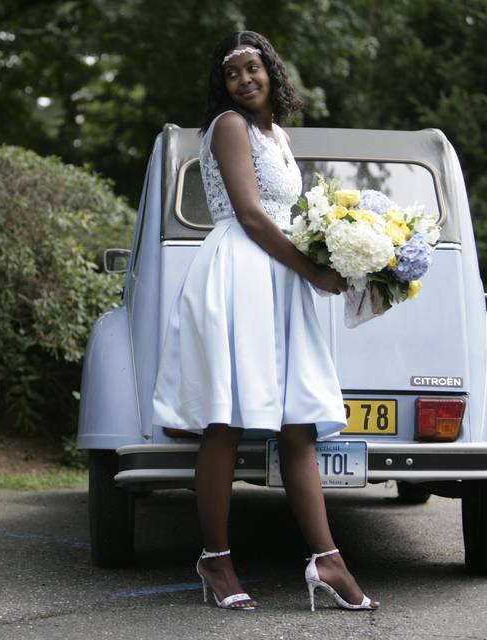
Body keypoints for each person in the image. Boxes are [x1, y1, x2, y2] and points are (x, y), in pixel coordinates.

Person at [151, 31, 378, 612]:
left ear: (272, 72)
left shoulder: (278, 135)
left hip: (280, 280)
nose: (244, 80)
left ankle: (328, 560)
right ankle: (216, 559)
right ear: (223, 85)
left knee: (297, 422)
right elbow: (251, 215)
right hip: (241, 275)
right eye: (233, 73)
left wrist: (338, 251)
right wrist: (313, 270)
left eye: (253, 68)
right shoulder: (229, 127)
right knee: (224, 421)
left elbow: (286, 213)